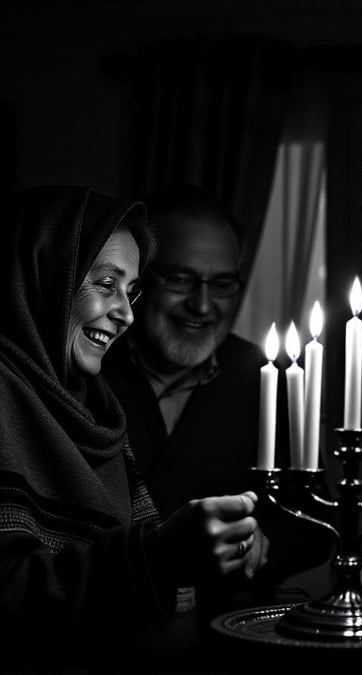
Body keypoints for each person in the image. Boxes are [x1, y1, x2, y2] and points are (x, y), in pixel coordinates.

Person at [0, 185, 268, 670]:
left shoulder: (89, 403)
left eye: (132, 290)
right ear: (44, 273)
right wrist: (158, 556)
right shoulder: (25, 392)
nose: (125, 313)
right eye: (105, 284)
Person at [102, 184, 333, 620]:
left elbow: (316, 523)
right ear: (139, 279)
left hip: (228, 629)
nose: (203, 304)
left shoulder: (272, 379)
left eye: (222, 283)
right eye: (180, 278)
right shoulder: (89, 366)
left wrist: (262, 545)